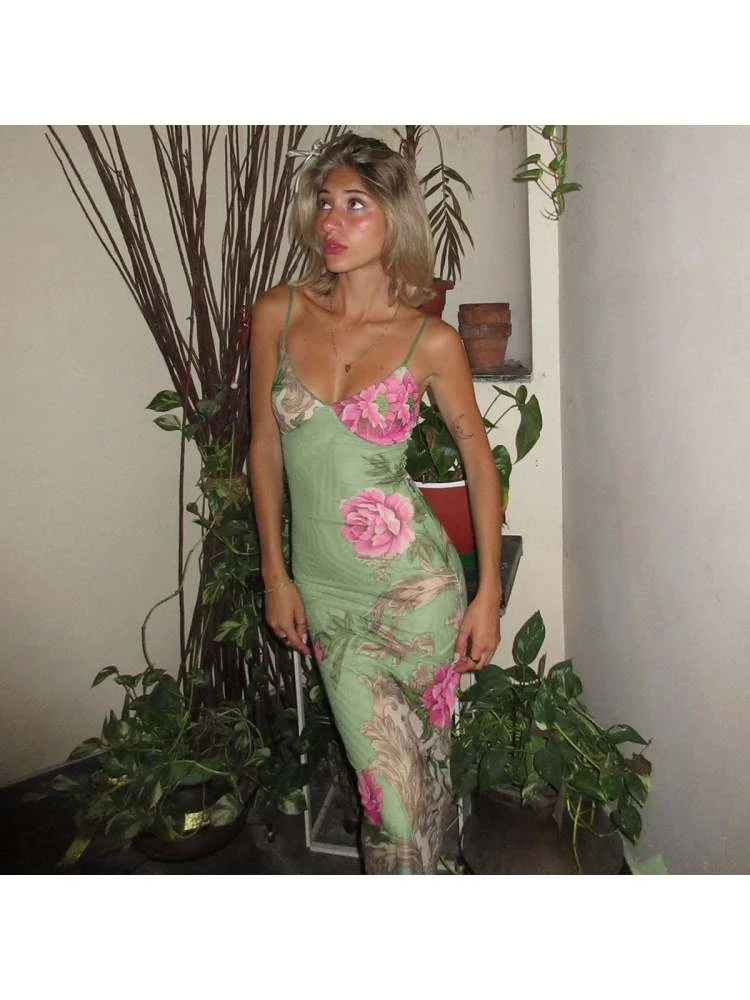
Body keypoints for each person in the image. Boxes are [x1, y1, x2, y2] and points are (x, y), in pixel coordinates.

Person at [248, 133, 502, 874]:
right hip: (328, 596)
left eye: (355, 204)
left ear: (395, 216)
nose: (332, 220)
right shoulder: (278, 313)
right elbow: (264, 447)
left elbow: (479, 463)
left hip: (419, 595)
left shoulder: (431, 340)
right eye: (326, 202)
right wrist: (275, 574)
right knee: (386, 796)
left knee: (422, 785)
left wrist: (486, 593)